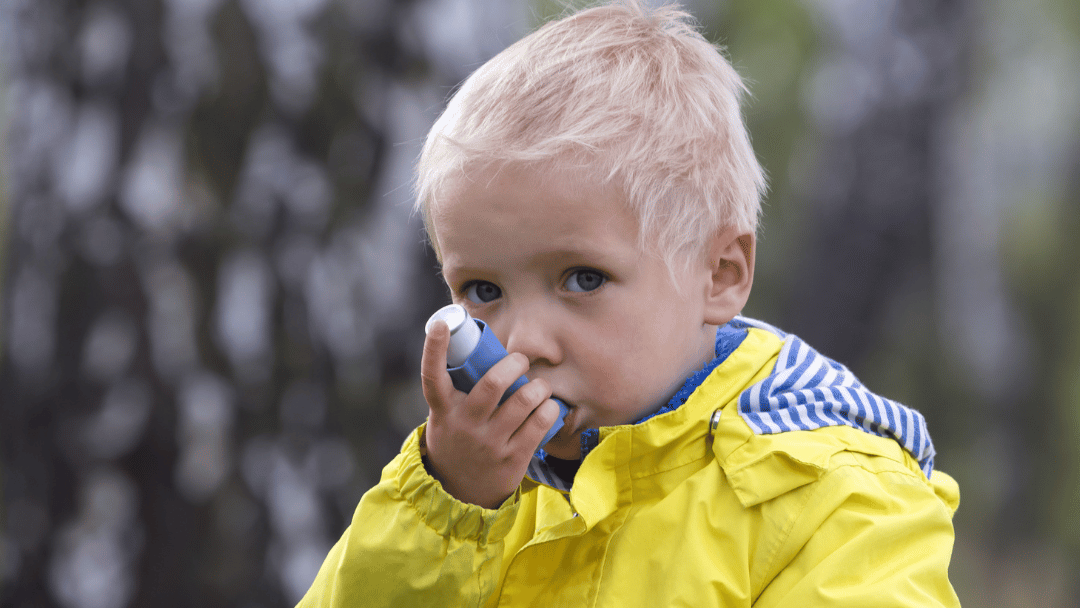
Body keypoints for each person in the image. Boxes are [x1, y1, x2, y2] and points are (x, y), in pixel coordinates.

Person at [298, 1, 961, 605]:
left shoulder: (835, 498)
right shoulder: (466, 490)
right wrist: (444, 512)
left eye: (582, 279)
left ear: (720, 276)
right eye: (484, 291)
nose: (522, 341)